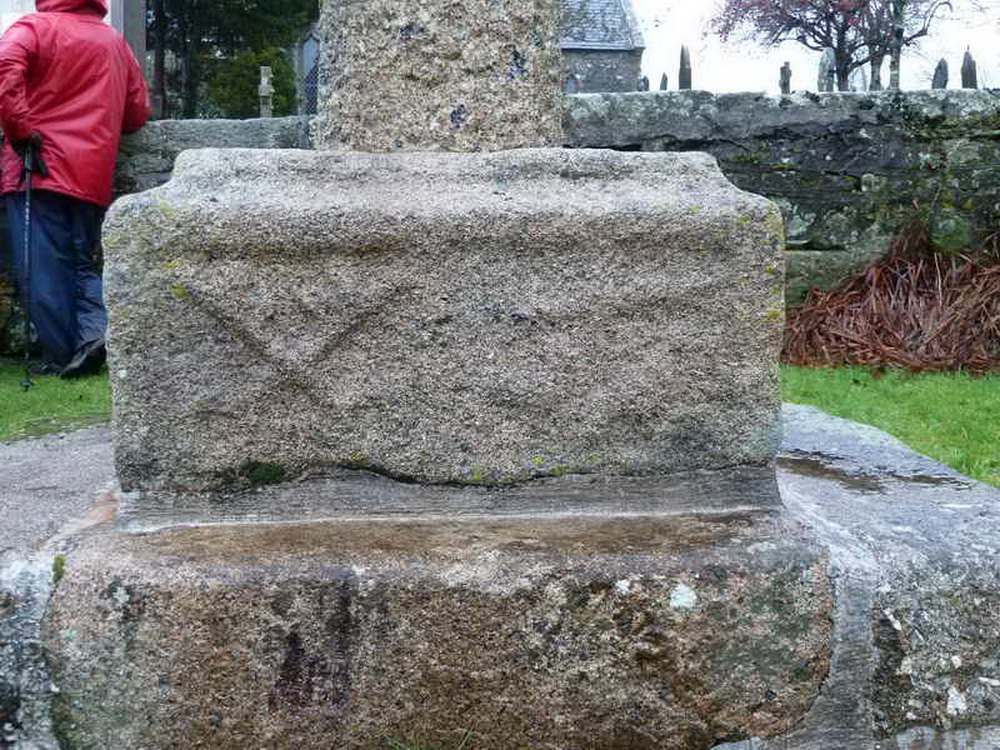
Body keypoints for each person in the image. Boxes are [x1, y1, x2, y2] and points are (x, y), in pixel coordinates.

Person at [0, 0, 150, 377]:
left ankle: (65, 354)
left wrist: (20, 131)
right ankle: (92, 335)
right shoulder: (115, 43)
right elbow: (136, 113)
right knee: (83, 260)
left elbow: (4, 68)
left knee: (41, 265)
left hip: (37, 166)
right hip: (91, 172)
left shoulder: (34, 28)